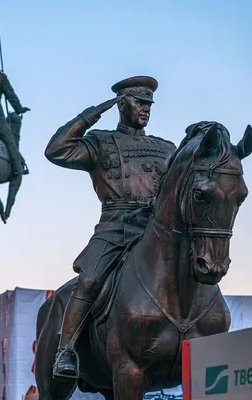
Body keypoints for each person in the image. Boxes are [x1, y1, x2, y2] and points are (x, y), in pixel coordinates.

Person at [44, 76, 177, 379]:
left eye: (149, 104)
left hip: (158, 229)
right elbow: (56, 150)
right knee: (90, 280)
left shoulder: (165, 148)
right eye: (139, 102)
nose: (146, 109)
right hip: (116, 226)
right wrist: (91, 114)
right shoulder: (101, 142)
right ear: (121, 104)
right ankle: (66, 351)